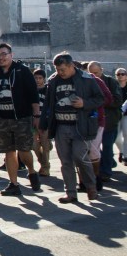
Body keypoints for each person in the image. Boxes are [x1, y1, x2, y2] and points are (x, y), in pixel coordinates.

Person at [45, 53, 106, 202]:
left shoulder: (87, 79)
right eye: (58, 69)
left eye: (63, 69)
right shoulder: (53, 81)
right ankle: (70, 193)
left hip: (81, 126)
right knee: (65, 161)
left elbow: (100, 98)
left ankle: (91, 187)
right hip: (61, 126)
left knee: (80, 156)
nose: (60, 72)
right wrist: (44, 126)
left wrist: (85, 103)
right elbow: (48, 104)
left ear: (72, 65)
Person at [0, 43, 41, 196]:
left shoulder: (22, 71)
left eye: (4, 54)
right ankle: (14, 184)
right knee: (8, 152)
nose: (1, 57)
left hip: (22, 118)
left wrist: (36, 115)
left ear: (11, 54)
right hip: (2, 119)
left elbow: (33, 95)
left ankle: (31, 171)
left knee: (24, 151)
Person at [88, 61, 123, 183]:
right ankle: (105, 165)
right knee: (95, 148)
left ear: (101, 70)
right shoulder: (88, 82)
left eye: (96, 72)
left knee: (107, 146)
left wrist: (100, 103)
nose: (94, 75)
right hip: (94, 121)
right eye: (91, 73)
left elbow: (118, 100)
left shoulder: (110, 82)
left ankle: (106, 172)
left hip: (109, 120)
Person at [116, 67, 127, 164]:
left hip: (126, 114)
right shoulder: (114, 86)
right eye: (118, 74)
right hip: (116, 113)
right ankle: (122, 151)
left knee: (126, 134)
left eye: (122, 74)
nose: (120, 76)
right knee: (116, 138)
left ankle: (126, 156)